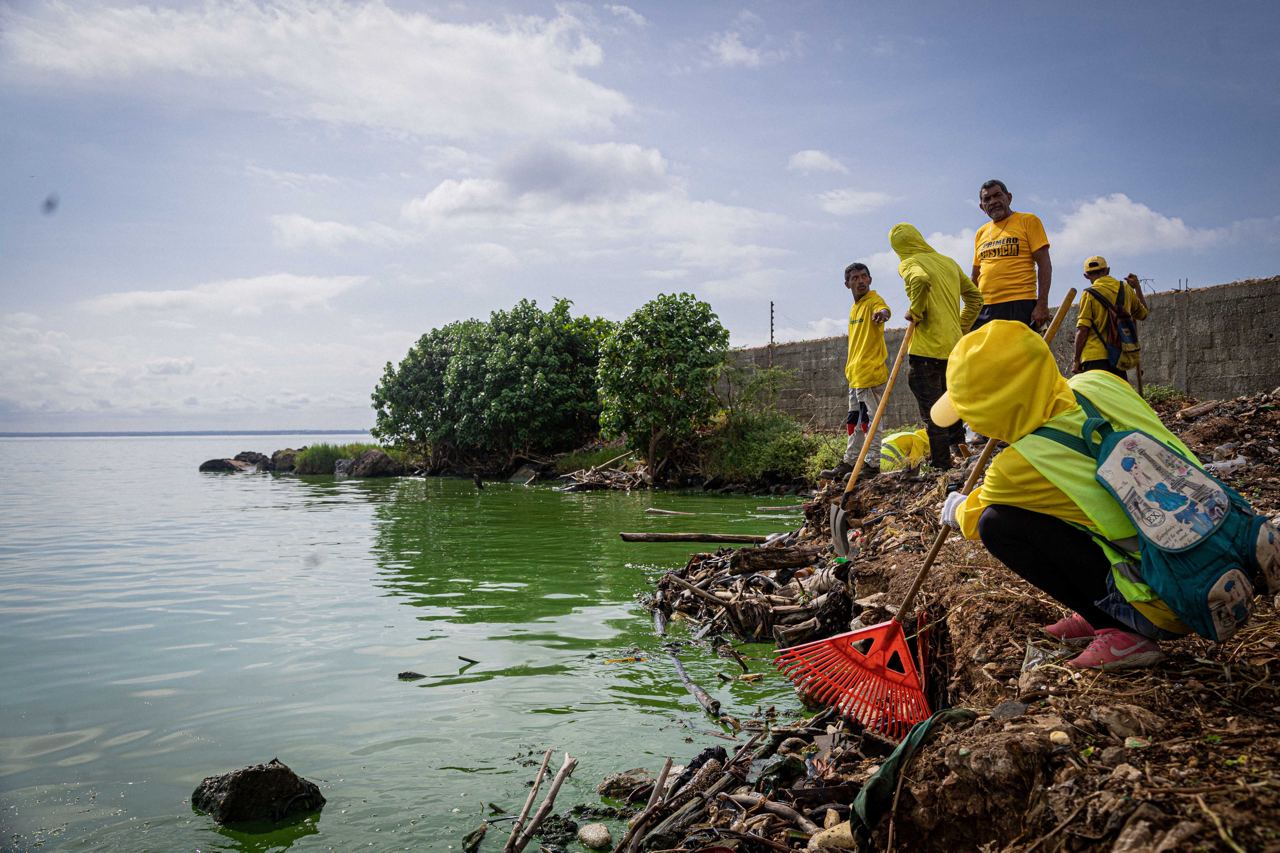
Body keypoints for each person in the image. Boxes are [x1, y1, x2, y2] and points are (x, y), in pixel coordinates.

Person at [930, 321, 1279, 669]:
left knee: (996, 524)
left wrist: (957, 508)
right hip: (1214, 548)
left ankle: (1118, 629)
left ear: (991, 409)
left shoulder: (1018, 466)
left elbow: (973, 519)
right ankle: (1099, 608)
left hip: (1168, 600)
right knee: (1079, 509)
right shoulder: (1099, 382)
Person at [890, 223, 983, 470]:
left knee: (934, 413)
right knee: (952, 406)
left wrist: (916, 311)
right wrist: (960, 327)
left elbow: (920, 280)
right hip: (953, 349)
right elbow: (976, 298)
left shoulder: (908, 262)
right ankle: (961, 455)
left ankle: (942, 466)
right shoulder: (948, 262)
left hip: (925, 352)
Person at [820, 263, 891, 482]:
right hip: (855, 376)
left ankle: (872, 464)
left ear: (870, 280)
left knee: (870, 421)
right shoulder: (855, 308)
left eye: (863, 277)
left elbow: (884, 310)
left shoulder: (873, 301)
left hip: (870, 374)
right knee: (854, 422)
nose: (860, 281)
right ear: (847, 284)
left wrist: (882, 314)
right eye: (855, 278)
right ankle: (850, 461)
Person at [971, 179, 1052, 329]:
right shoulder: (980, 232)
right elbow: (976, 275)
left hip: (1019, 303)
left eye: (997, 195)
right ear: (982, 207)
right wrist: (971, 308)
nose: (993, 201)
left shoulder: (1028, 221)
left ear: (1009, 197)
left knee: (1018, 346)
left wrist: (1042, 304)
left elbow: (1044, 264)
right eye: (987, 199)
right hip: (985, 307)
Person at [1073, 256, 1149, 379]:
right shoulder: (1126, 288)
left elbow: (1082, 330)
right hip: (1119, 357)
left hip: (1094, 358)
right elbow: (1143, 314)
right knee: (1117, 391)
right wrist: (1137, 287)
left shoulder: (1088, 294)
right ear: (1107, 270)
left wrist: (1076, 360)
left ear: (1086, 276)